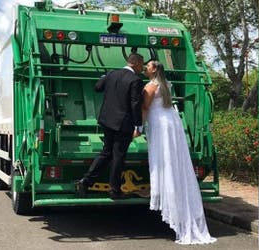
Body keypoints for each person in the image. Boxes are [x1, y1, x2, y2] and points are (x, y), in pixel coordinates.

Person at [139, 60, 217, 244]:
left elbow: (145, 108)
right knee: (174, 160)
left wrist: (139, 128)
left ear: (155, 69)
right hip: (172, 121)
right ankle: (179, 209)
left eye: (148, 66)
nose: (145, 68)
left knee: (163, 160)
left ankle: (170, 204)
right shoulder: (167, 84)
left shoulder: (150, 86)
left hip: (159, 124)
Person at [76, 53, 145, 199]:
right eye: (142, 64)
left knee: (106, 152)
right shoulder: (136, 80)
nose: (142, 68)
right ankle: (114, 190)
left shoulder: (112, 73)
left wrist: (105, 79)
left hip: (107, 120)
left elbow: (97, 87)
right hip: (123, 123)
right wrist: (138, 125)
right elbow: (135, 103)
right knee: (118, 156)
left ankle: (85, 181)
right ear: (136, 63)